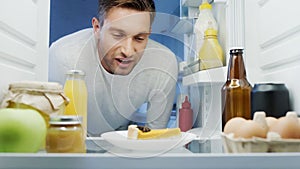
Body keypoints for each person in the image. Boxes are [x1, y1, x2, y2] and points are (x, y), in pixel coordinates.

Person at [49, 0, 178, 135]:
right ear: (97, 28)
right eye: (118, 35)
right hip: (73, 137)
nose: (128, 51)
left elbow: (155, 136)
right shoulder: (63, 56)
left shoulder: (163, 63)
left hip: (120, 139)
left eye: (139, 38)